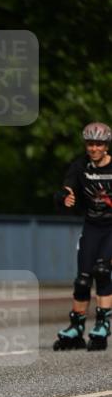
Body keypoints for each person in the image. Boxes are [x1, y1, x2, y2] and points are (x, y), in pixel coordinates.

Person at [53, 121, 112, 352]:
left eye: (98, 144)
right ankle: (76, 327)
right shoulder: (80, 166)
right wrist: (63, 197)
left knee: (102, 270)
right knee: (83, 279)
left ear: (106, 146)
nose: (94, 148)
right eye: (90, 144)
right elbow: (67, 188)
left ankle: (102, 325)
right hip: (92, 227)